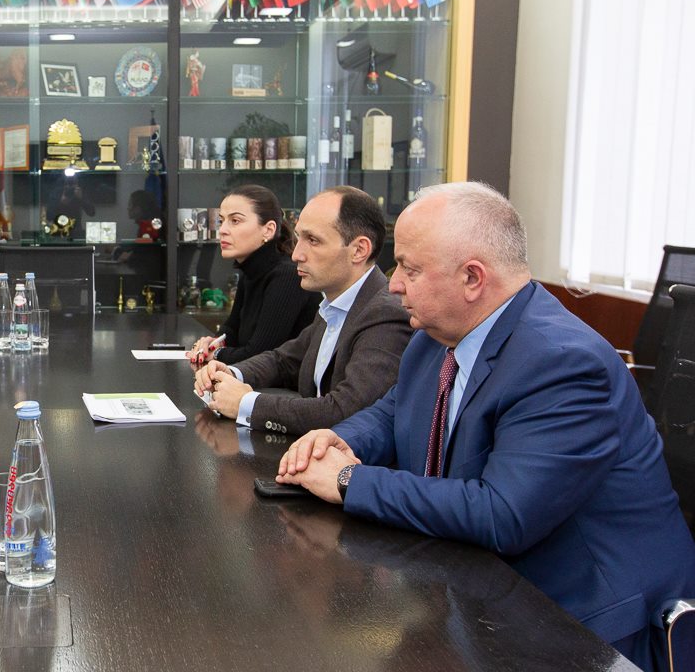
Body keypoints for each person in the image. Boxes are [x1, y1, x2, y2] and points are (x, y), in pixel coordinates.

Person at [276, 182, 695, 671]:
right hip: (479, 591)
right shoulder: (436, 336)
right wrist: (338, 439)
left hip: (585, 627)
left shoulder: (563, 363)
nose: (393, 284)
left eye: (409, 268)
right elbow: (392, 412)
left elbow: (502, 515)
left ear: (472, 278)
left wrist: (349, 479)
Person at [194, 186, 412, 434]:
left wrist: (246, 404)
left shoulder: (385, 315)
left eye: (313, 241)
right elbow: (283, 360)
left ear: (359, 250)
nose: (296, 254)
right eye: (299, 238)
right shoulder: (334, 305)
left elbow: (345, 411)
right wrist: (233, 372)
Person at [188, 185, 321, 367]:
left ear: (268, 230)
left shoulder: (288, 275)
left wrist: (216, 353)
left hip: (284, 384)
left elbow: (258, 355)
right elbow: (231, 329)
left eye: (235, 221)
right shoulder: (250, 271)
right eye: (221, 221)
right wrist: (212, 343)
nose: (223, 230)